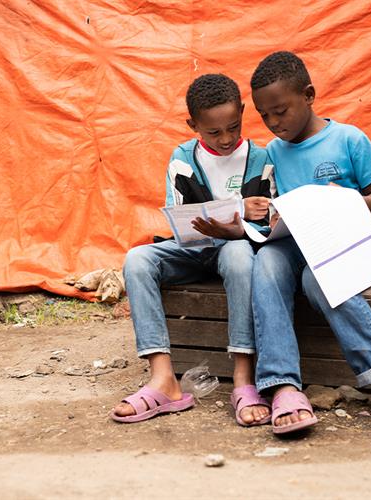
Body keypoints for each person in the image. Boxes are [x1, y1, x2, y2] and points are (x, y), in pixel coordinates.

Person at [249, 51, 371, 434]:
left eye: (281, 110)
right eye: (265, 115)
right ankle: (282, 384)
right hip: (298, 241)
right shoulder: (274, 151)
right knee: (264, 262)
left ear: (309, 94)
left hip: (347, 245)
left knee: (317, 279)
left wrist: (340, 201)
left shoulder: (348, 138)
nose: (274, 122)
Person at [110, 73, 275, 426]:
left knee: (237, 253)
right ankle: (163, 378)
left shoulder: (262, 159)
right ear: (193, 125)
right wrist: (238, 208)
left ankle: (243, 378)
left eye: (233, 126)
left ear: (243, 112)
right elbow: (180, 219)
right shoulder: (183, 158)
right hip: (194, 248)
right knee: (138, 259)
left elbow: (268, 221)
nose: (227, 138)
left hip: (237, 249)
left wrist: (236, 226)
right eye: (214, 132)